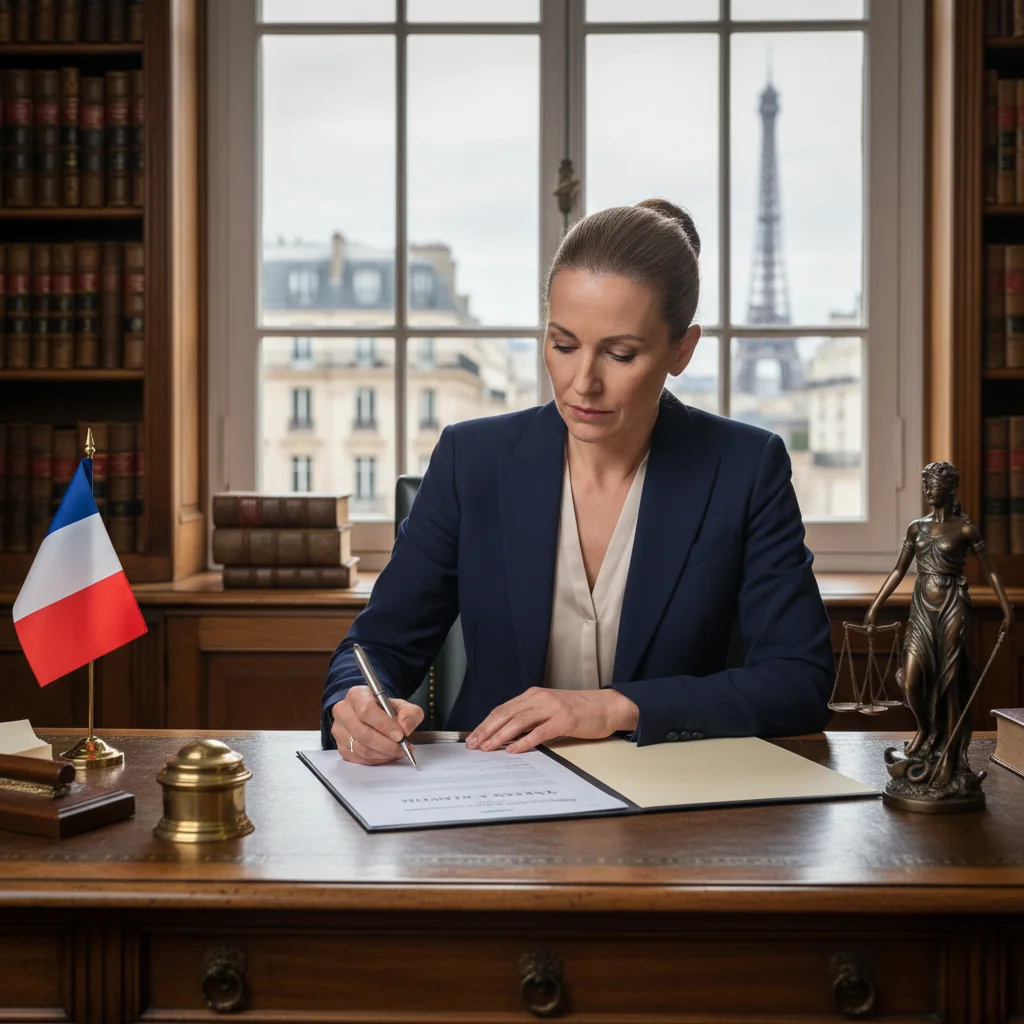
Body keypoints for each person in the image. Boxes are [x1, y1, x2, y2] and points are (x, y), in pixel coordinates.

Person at [321, 198, 834, 765]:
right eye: (563, 345)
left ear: (682, 350)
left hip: (671, 795)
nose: (582, 382)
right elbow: (376, 646)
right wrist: (354, 703)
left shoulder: (746, 467)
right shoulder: (470, 460)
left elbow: (799, 681)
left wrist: (615, 707)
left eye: (620, 354)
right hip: (491, 789)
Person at [863, 462, 1014, 789]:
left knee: (948, 680)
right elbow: (898, 570)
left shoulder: (965, 530)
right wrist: (875, 606)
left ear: (950, 488)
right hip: (922, 608)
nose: (927, 490)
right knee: (912, 678)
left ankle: (947, 755)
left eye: (933, 484)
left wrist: (1006, 608)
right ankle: (927, 730)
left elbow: (989, 570)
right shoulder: (916, 528)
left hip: (953, 605)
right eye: (925, 484)